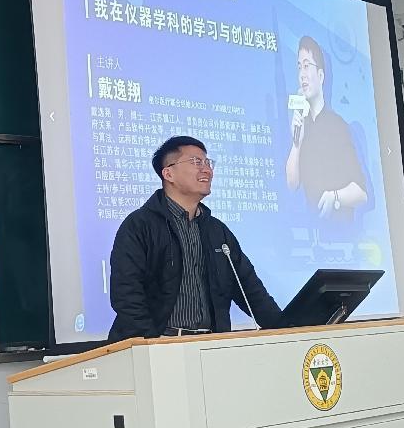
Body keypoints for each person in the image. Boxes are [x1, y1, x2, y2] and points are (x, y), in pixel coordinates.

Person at [108, 136, 281, 341]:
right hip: (159, 344)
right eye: (196, 162)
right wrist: (150, 342)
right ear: (168, 173)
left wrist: (287, 327)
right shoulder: (139, 225)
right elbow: (126, 294)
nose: (207, 170)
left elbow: (250, 290)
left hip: (209, 346)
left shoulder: (217, 231)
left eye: (208, 163)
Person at [286, 36, 367, 220]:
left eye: (307, 66)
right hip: (313, 229)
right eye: (299, 67)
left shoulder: (338, 126)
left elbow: (363, 193)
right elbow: (291, 185)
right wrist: (296, 144)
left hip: (342, 231)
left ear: (321, 76)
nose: (302, 74)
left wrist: (335, 197)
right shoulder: (302, 125)